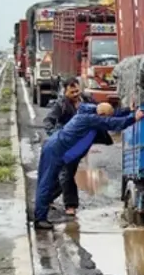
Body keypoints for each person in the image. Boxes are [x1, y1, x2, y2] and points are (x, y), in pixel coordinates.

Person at [35, 102, 143, 230]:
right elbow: (111, 123)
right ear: (101, 115)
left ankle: (41, 212)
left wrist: (128, 110)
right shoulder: (89, 119)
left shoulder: (94, 114)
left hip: (59, 152)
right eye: (104, 117)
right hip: (55, 151)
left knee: (51, 183)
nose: (105, 120)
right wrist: (133, 118)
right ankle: (40, 219)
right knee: (46, 183)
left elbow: (111, 116)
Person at [41, 78, 112, 217]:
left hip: (82, 144)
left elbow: (102, 111)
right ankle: (70, 204)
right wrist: (57, 136)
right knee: (66, 172)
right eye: (71, 91)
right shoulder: (61, 105)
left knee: (65, 172)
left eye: (77, 91)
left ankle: (49, 198)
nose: (75, 94)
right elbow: (48, 121)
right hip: (66, 145)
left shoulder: (87, 101)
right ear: (65, 91)